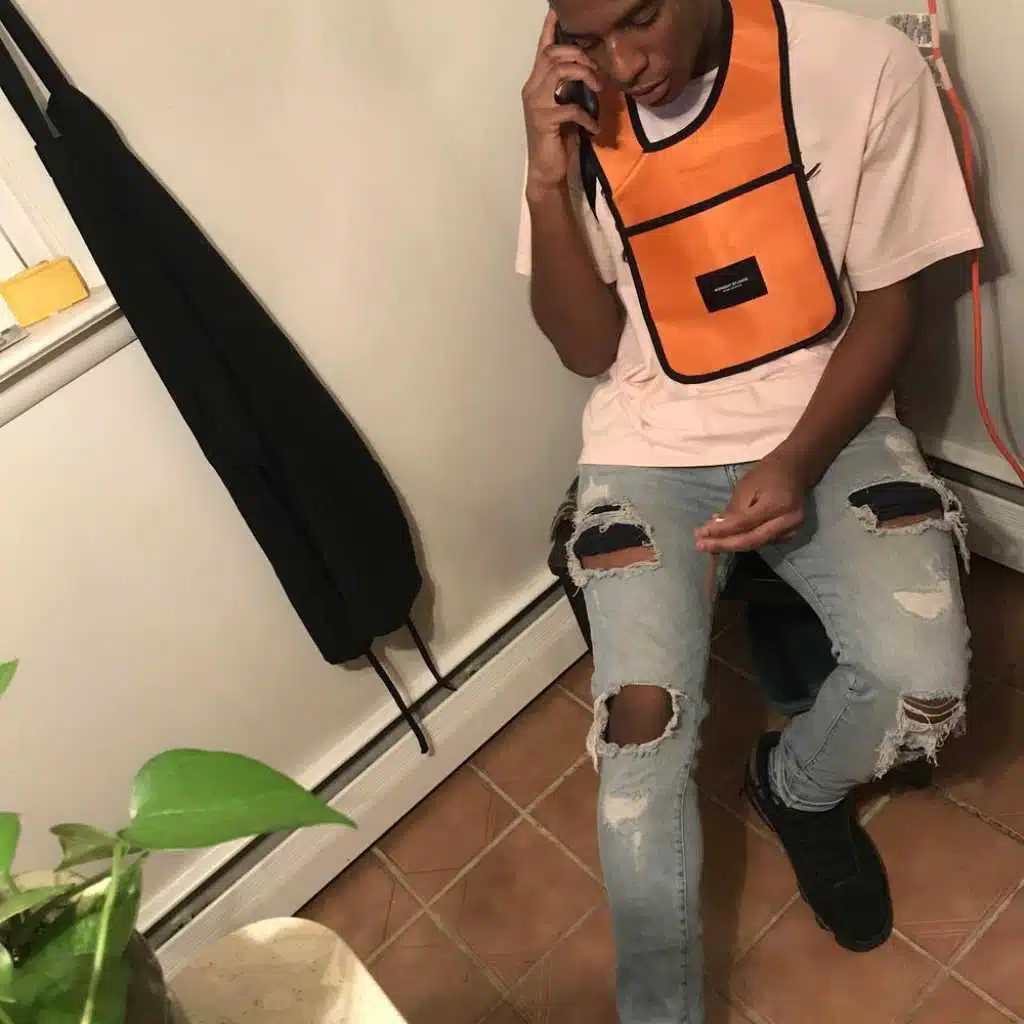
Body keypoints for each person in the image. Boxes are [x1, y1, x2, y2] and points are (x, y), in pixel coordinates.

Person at [516, 0, 982, 1020]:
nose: (622, 63)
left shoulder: (859, 65)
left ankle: (795, 787)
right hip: (648, 443)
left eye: (640, 18)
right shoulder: (577, 103)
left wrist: (795, 459)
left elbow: (892, 306)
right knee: (639, 737)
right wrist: (547, 181)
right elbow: (585, 348)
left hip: (828, 417)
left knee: (924, 683)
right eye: (587, 34)